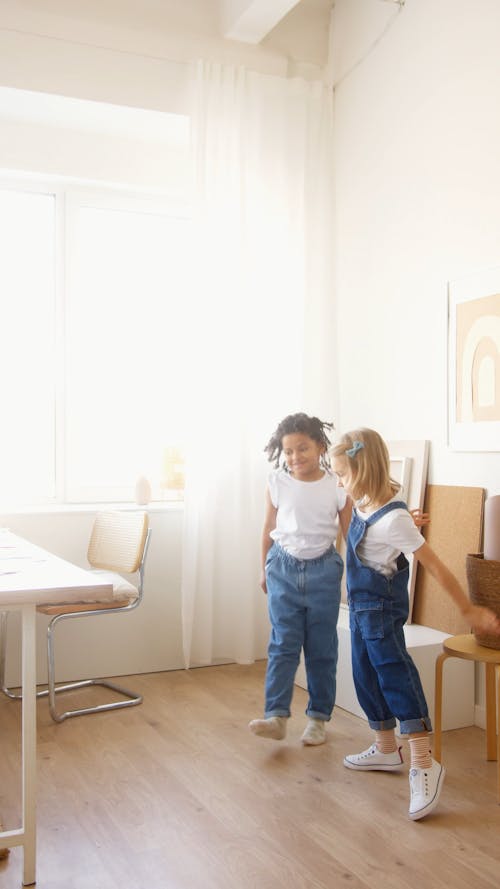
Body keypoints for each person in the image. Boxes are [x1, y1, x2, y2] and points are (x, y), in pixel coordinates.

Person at [330, 427, 500, 820]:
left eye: (342, 474)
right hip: (358, 608)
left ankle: (424, 763)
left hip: (380, 613)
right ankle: (386, 748)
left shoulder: (393, 519)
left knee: (395, 677)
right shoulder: (368, 502)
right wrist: (405, 520)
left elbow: (436, 568)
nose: (339, 482)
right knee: (364, 676)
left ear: (363, 468)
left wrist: (469, 610)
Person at [248, 412, 352, 746]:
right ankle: (276, 716)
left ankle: (318, 720)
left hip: (324, 571)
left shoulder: (336, 484)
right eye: (289, 451)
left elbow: (350, 534)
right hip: (283, 568)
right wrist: (263, 567)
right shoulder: (277, 481)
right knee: (283, 645)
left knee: (322, 649)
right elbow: (267, 529)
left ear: (320, 446)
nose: (295, 457)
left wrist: (354, 577)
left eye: (303, 449)